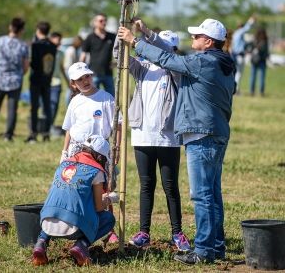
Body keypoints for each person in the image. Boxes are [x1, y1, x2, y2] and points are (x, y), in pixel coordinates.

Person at [118, 18, 235, 265]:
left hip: (201, 134)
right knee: (212, 194)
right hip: (216, 133)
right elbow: (170, 53)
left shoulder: (203, 62)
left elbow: (168, 59)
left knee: (202, 195)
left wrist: (135, 41)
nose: (192, 40)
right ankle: (216, 247)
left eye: (196, 36)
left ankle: (203, 251)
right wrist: (149, 34)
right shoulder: (223, 63)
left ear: (208, 41)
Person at [114, 25, 190, 251]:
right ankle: (144, 232)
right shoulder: (143, 67)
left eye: (168, 48)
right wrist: (121, 37)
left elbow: (165, 52)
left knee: (170, 186)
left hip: (167, 138)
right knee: (146, 185)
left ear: (173, 50)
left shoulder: (177, 70)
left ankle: (177, 233)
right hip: (142, 136)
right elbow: (120, 57)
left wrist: (146, 33)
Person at [31, 136, 117, 267]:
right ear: (100, 157)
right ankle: (81, 245)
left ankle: (40, 243)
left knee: (57, 209)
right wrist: (111, 198)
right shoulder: (96, 171)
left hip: (46, 222)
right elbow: (99, 207)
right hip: (73, 227)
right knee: (108, 219)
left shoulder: (63, 164)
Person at [60, 61, 122, 243]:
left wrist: (117, 149)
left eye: (87, 76)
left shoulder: (106, 98)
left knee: (105, 188)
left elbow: (118, 125)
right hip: (77, 153)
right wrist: (64, 152)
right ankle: (82, 225)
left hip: (100, 153)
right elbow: (69, 128)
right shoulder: (75, 102)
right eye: (80, 79)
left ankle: (108, 229)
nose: (85, 81)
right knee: (80, 189)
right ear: (73, 84)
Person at [0, 18, 29, 142]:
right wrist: (20, 74)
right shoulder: (23, 45)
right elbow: (26, 65)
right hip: (15, 81)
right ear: (21, 30)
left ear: (10, 27)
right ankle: (8, 135)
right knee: (12, 110)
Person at [25, 21, 57, 143]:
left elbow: (33, 63)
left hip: (36, 80)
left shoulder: (35, 45)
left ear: (38, 30)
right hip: (47, 79)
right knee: (47, 107)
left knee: (34, 107)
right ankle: (46, 133)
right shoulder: (53, 46)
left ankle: (33, 133)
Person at [80, 14, 116, 96]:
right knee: (93, 97)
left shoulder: (112, 36)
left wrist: (116, 63)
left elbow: (118, 51)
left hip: (108, 73)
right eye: (101, 21)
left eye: (105, 20)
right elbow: (83, 55)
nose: (104, 22)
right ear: (95, 23)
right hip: (94, 74)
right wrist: (81, 72)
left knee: (111, 98)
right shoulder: (90, 37)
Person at [49, 32, 69, 126]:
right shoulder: (46, 52)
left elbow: (61, 68)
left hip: (56, 83)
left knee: (54, 106)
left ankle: (50, 125)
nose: (60, 42)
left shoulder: (61, 53)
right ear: (52, 39)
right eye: (58, 39)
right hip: (45, 83)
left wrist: (68, 82)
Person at [231, 16, 255, 94]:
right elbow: (246, 28)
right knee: (239, 73)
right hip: (239, 56)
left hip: (234, 55)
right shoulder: (240, 32)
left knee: (235, 73)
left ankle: (234, 88)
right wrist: (251, 21)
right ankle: (236, 89)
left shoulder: (235, 34)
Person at [249, 27, 269, 96]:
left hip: (254, 61)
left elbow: (250, 49)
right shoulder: (265, 41)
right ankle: (261, 92)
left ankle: (252, 91)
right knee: (262, 78)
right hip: (262, 61)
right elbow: (266, 52)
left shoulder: (254, 40)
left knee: (252, 77)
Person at [63, 35, 83, 104]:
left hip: (71, 72)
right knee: (70, 89)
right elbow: (68, 65)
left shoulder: (75, 50)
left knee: (73, 89)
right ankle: (68, 104)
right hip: (69, 72)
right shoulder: (71, 50)